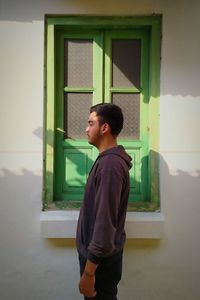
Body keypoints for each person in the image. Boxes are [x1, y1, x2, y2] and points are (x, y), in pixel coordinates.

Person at [76, 103, 132, 300]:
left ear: (104, 127)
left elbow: (104, 224)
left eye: (91, 123)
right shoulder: (107, 161)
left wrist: (89, 273)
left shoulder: (110, 165)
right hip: (99, 262)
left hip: (99, 267)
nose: (86, 128)